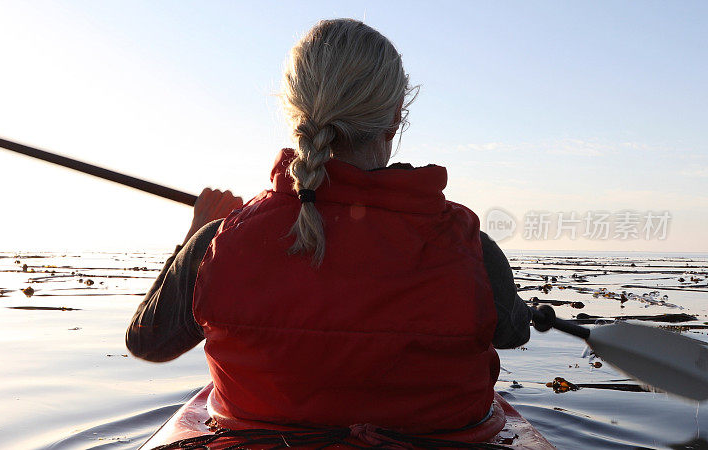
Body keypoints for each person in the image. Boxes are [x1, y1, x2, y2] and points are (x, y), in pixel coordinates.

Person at [127, 18, 530, 438]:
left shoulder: (217, 242)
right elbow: (513, 332)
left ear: (294, 109)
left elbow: (148, 343)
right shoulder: (472, 249)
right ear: (395, 116)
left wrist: (197, 234)